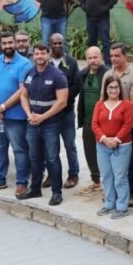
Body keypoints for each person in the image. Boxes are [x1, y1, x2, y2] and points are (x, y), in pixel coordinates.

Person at [18, 43, 68, 206]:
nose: (39, 57)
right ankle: (35, 189)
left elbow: (62, 102)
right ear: (33, 55)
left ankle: (56, 192)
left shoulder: (57, 75)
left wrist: (43, 117)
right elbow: (24, 96)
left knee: (52, 158)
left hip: (51, 124)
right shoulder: (29, 73)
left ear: (48, 55)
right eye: (36, 54)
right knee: (35, 157)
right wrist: (29, 115)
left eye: (42, 53)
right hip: (32, 123)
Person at [0, 32, 33, 193]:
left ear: (15, 43)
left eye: (10, 43)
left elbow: (22, 91)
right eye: (4, 43)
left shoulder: (24, 64)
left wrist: (3, 106)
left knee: (19, 149)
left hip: (16, 116)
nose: (7, 46)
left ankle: (22, 181)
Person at [101, 43, 133, 206]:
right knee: (110, 163)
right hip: (108, 127)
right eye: (111, 56)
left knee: (130, 161)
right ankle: (112, 192)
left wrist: (116, 116)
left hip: (128, 126)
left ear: (125, 56)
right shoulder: (107, 75)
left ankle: (132, 193)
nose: (113, 59)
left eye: (117, 56)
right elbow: (102, 100)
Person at [92, 75, 133, 218]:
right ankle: (109, 204)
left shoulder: (126, 104)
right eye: (111, 87)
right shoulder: (100, 104)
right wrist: (104, 139)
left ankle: (122, 206)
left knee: (120, 177)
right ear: (106, 89)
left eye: (116, 87)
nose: (113, 90)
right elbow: (95, 124)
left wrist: (116, 140)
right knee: (106, 176)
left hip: (121, 146)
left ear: (120, 88)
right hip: (102, 146)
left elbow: (128, 124)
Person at [48, 33, 81, 189]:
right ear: (50, 44)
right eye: (54, 43)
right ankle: (51, 174)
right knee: (50, 146)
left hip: (66, 112)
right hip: (48, 114)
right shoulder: (44, 62)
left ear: (64, 44)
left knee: (70, 145)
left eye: (60, 43)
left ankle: (73, 174)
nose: (57, 45)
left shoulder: (71, 62)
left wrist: (62, 101)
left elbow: (76, 85)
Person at [77, 46, 110, 194]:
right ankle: (96, 180)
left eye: (95, 57)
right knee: (89, 151)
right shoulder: (83, 74)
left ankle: (110, 183)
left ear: (101, 57)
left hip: (105, 122)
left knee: (107, 152)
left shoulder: (108, 74)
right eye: (89, 58)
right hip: (87, 120)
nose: (92, 61)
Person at [79, 0, 118, 65]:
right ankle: (93, 62)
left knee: (105, 41)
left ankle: (108, 64)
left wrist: (105, 8)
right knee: (92, 41)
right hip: (90, 17)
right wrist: (84, 7)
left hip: (103, 18)